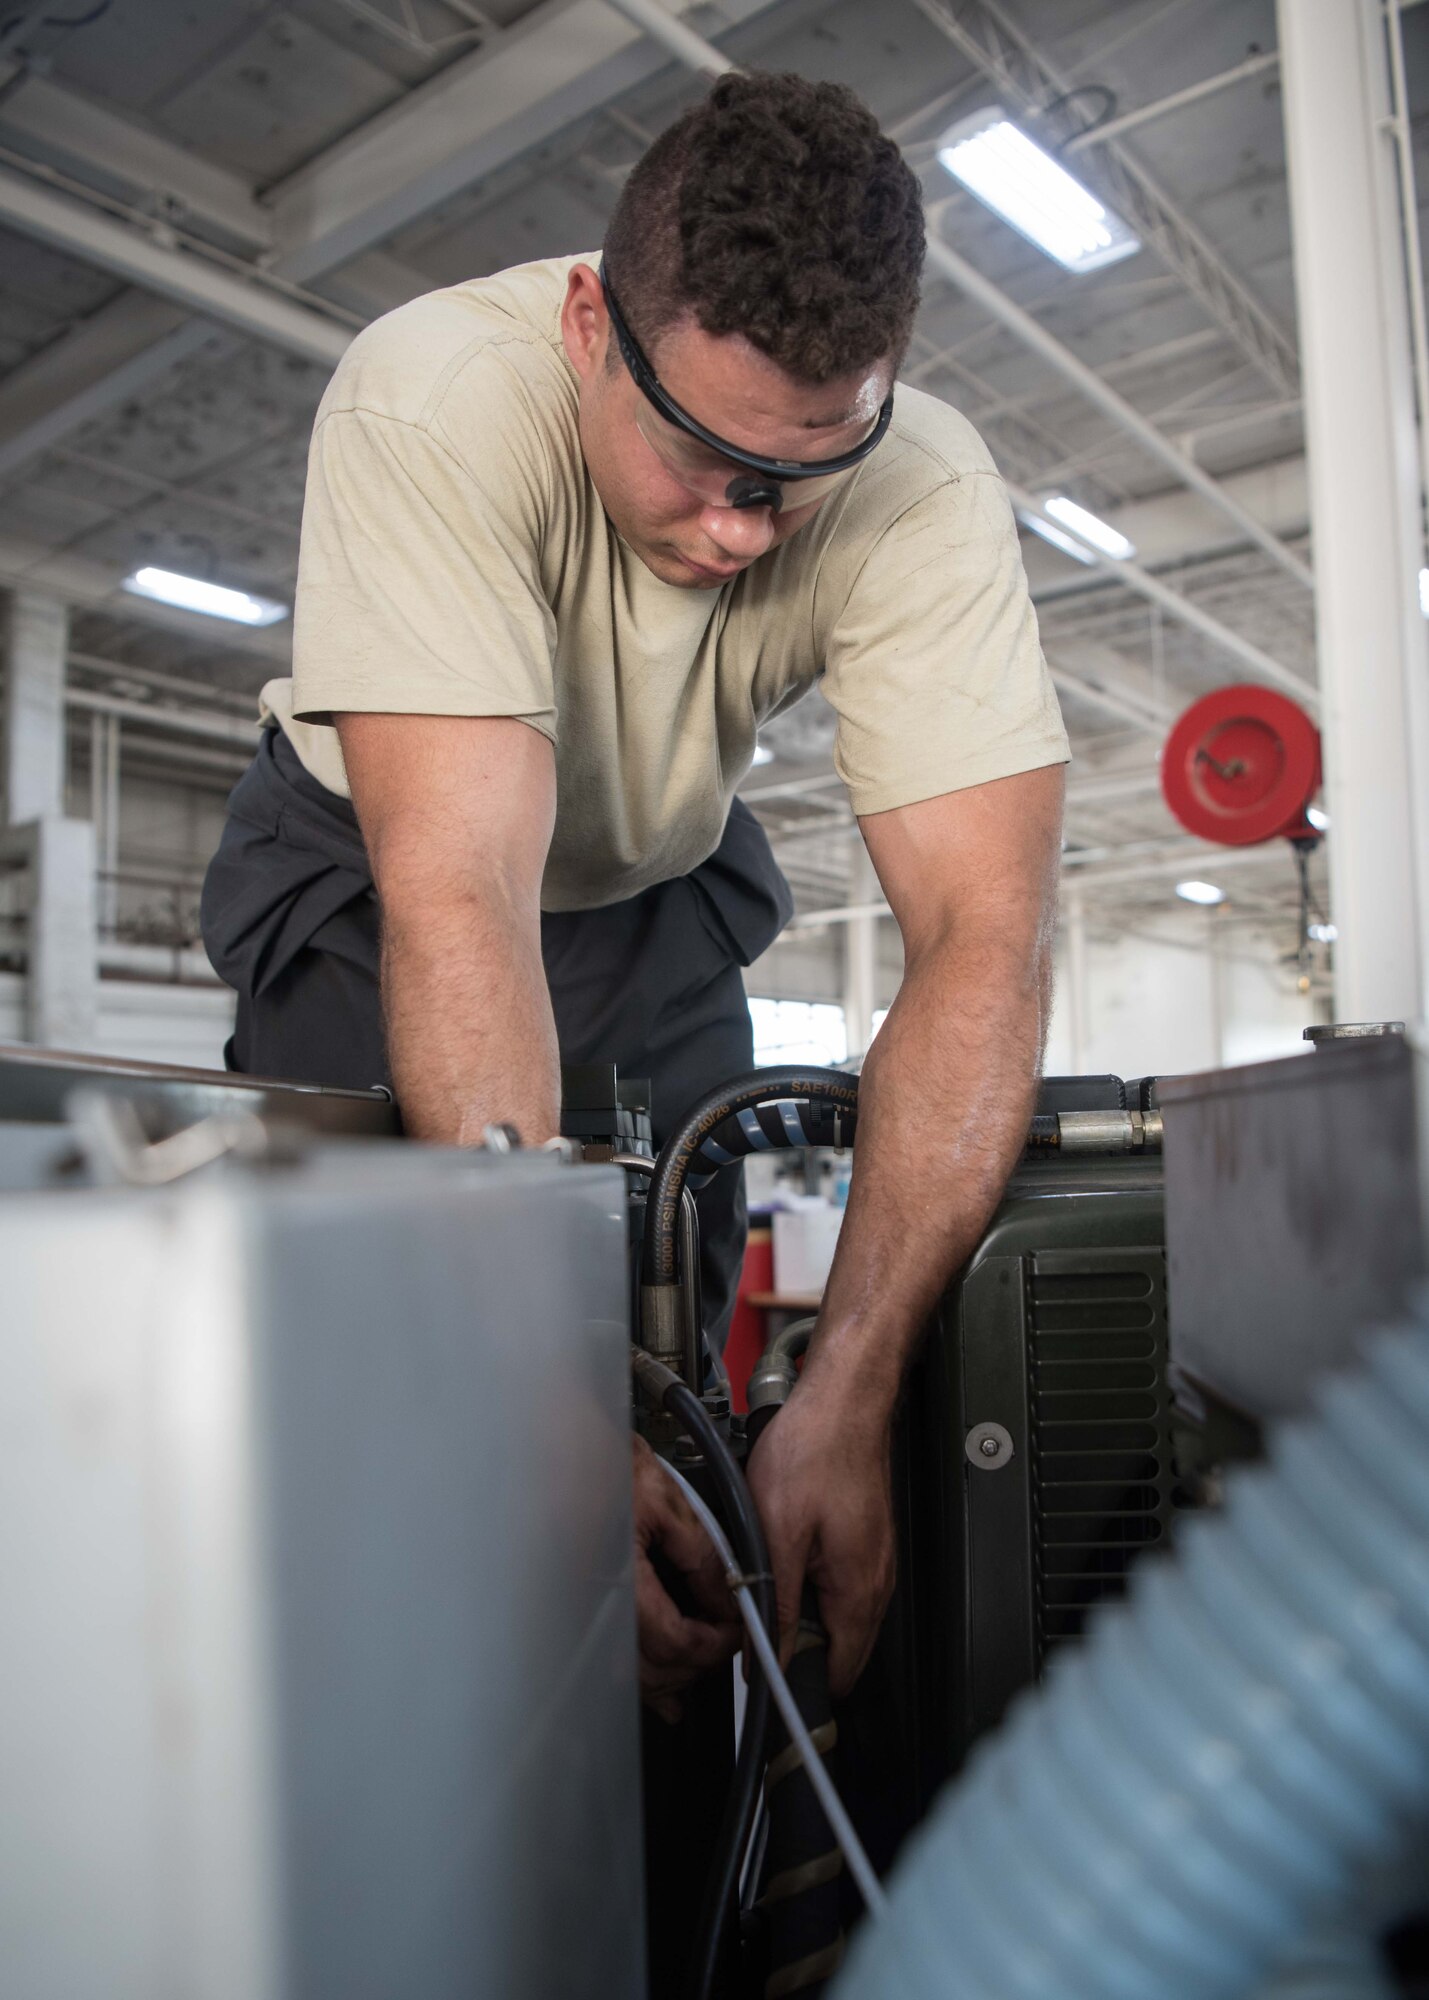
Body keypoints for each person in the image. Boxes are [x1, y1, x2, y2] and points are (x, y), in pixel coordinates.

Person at [201, 71, 1067, 1720]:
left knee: (672, 1365)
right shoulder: (435, 396)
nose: (743, 530)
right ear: (592, 324)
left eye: (798, 474)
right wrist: (535, 1412)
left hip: (659, 891)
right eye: (703, 456)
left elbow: (983, 940)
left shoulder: (921, 485)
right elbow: (458, 893)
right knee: (391, 1364)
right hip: (386, 884)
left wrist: (850, 1392)